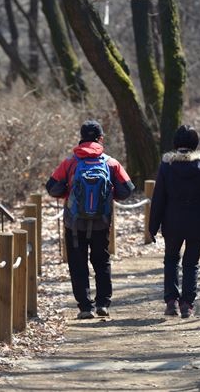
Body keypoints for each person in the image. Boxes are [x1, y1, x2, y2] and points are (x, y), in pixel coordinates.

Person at [46, 120, 135, 319]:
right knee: (101, 261)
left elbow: (51, 187)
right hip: (101, 222)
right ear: (100, 138)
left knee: (78, 264)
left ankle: (85, 307)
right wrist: (111, 195)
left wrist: (68, 193)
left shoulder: (70, 162)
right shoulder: (110, 162)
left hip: (74, 223)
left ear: (81, 138)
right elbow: (128, 189)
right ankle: (103, 303)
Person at [148, 125, 200, 318]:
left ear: (175, 143)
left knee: (171, 259)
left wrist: (152, 227)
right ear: (195, 144)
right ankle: (187, 303)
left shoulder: (166, 167)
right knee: (191, 263)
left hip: (173, 223)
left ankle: (171, 300)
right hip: (199, 223)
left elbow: (159, 199)